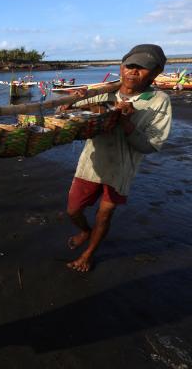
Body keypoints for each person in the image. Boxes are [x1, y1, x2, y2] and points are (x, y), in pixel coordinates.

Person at [62, 44, 172, 272]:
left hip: (121, 170)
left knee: (104, 215)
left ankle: (88, 255)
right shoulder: (103, 92)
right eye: (130, 66)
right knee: (73, 210)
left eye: (142, 68)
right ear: (120, 68)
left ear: (156, 73)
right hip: (91, 165)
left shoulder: (158, 101)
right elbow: (68, 113)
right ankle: (85, 231)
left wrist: (125, 122)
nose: (134, 71)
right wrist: (72, 102)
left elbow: (151, 145)